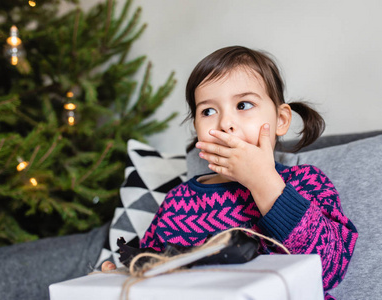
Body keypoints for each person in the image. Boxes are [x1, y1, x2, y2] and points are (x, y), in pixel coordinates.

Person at [102, 46, 358, 299]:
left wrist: (263, 182)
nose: (225, 123)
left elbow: (329, 269)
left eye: (244, 104)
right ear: (197, 128)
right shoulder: (178, 202)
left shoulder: (305, 182)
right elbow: (152, 268)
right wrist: (125, 275)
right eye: (208, 111)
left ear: (281, 120)